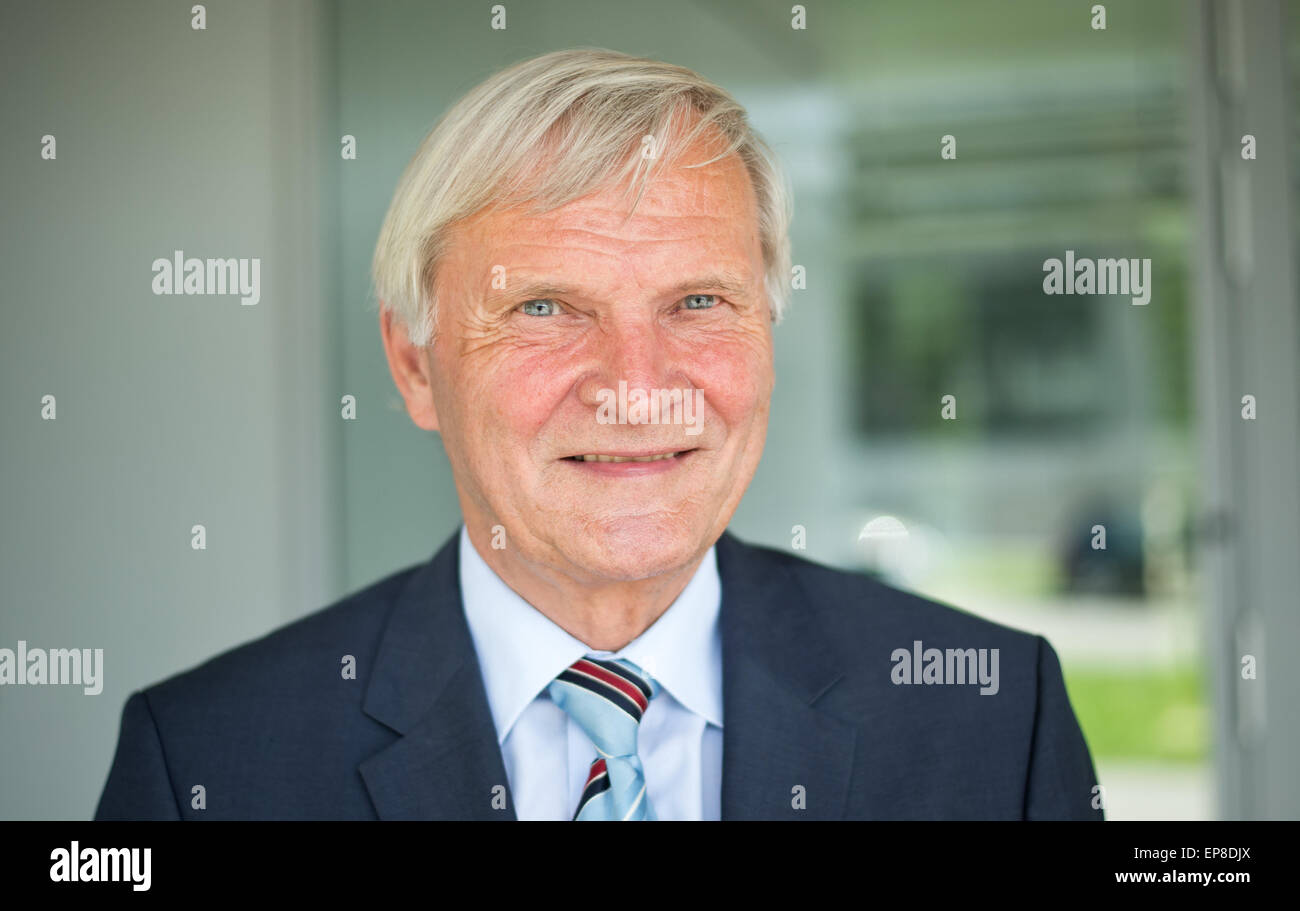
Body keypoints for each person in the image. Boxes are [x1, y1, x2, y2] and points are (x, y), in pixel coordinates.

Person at [96, 48, 1103, 821]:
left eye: (699, 300)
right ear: (414, 365)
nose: (636, 385)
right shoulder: (207, 759)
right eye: (543, 307)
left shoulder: (988, 716)